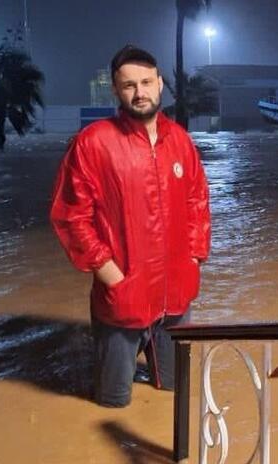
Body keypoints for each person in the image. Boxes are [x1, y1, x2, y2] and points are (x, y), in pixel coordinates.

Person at [50, 45, 210, 407]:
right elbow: (71, 215)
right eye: (129, 85)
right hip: (123, 294)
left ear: (160, 83)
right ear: (116, 91)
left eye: (146, 82)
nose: (140, 93)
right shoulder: (94, 143)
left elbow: (198, 202)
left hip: (177, 295)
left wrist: (195, 259)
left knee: (175, 393)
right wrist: (111, 275)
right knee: (112, 403)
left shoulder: (181, 141)